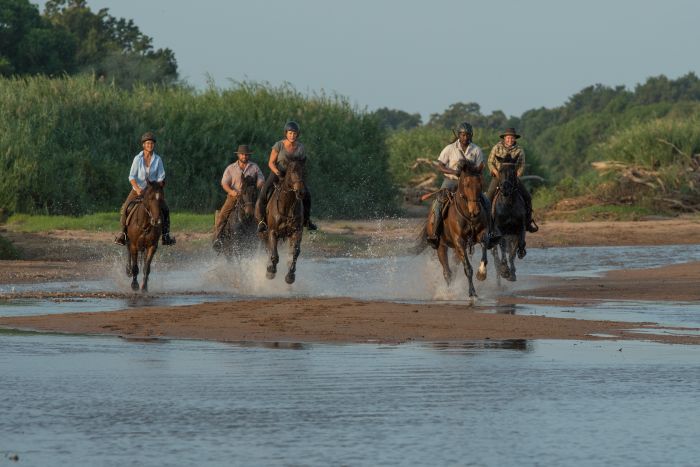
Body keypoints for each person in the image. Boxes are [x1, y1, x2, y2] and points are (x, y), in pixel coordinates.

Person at [426, 122, 497, 247]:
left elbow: (481, 166)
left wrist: (471, 170)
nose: (465, 138)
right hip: (451, 180)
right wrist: (454, 171)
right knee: (438, 203)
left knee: (486, 201)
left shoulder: (476, 149)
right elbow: (440, 166)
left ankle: (491, 233)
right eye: (463, 135)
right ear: (459, 135)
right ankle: (435, 234)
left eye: (468, 135)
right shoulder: (450, 148)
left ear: (471, 135)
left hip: (470, 183)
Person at [114, 132, 176, 246]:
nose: (150, 145)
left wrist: (156, 185)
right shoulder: (137, 159)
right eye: (147, 143)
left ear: (154, 145)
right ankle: (122, 234)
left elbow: (161, 176)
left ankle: (166, 235)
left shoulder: (158, 160)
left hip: (152, 192)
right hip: (138, 190)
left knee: (165, 210)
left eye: (151, 143)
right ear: (143, 145)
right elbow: (131, 177)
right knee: (126, 207)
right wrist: (137, 189)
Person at [255, 121, 317, 232]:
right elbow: (271, 162)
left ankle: (307, 220)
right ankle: (262, 221)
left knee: (307, 194)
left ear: (297, 134)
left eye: (294, 133)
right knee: (264, 191)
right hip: (279, 172)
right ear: (286, 133)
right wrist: (277, 172)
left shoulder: (301, 148)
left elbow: (302, 164)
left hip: (294, 176)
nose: (292, 135)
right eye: (290, 133)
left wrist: (300, 175)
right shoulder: (278, 145)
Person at [486, 127, 539, 233]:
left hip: (513, 178)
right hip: (498, 177)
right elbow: (490, 162)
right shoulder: (497, 148)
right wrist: (496, 172)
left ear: (515, 139)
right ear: (504, 138)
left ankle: (528, 221)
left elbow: (522, 165)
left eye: (512, 138)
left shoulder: (519, 150)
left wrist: (516, 175)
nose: (510, 139)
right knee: (488, 196)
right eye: (508, 137)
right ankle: (488, 223)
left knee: (527, 196)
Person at [213, 144, 265, 250]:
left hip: (250, 197)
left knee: (263, 212)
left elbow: (261, 179)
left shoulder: (254, 167)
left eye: (246, 155)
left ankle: (265, 234)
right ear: (238, 155)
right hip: (234, 196)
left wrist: (257, 185)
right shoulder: (231, 168)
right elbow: (224, 183)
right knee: (223, 215)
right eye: (242, 154)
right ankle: (217, 238)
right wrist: (231, 192)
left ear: (248, 156)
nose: (244, 156)